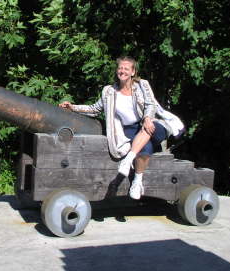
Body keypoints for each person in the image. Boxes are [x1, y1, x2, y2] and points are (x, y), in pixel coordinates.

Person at [59, 56, 174, 200]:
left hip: (149, 123)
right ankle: (137, 182)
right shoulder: (109, 92)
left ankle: (128, 160)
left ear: (133, 72)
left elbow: (150, 104)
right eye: (120, 68)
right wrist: (73, 107)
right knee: (145, 149)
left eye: (126, 68)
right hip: (130, 129)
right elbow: (95, 109)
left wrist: (147, 118)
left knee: (148, 129)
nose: (122, 71)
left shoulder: (142, 85)